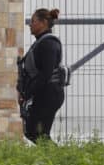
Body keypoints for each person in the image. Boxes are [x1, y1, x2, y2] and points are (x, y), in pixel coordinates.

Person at [17, 8, 67, 143]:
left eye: (33, 21)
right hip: (44, 94)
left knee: (37, 133)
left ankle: (60, 160)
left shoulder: (48, 44)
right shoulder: (40, 42)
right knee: (33, 132)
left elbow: (45, 74)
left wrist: (27, 93)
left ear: (43, 23)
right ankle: (55, 160)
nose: (30, 24)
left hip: (50, 94)